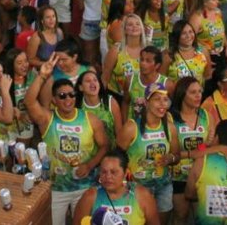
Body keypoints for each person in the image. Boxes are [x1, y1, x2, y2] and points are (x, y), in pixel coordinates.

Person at [25, 55, 110, 225]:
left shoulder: (91, 119)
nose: (68, 99)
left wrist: (89, 165)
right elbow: (29, 102)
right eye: (62, 96)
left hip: (84, 187)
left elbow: (104, 146)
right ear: (54, 101)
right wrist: (42, 76)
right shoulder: (47, 119)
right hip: (56, 188)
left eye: (71, 95)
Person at [117, 86, 178, 223]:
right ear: (146, 101)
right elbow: (117, 156)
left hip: (163, 186)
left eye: (165, 100)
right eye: (157, 99)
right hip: (138, 187)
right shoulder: (131, 127)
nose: (162, 104)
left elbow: (177, 154)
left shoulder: (170, 127)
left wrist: (171, 158)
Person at [72, 150, 160, 225]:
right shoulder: (90, 196)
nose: (108, 176)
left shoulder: (142, 195)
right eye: (104, 172)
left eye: (113, 172)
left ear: (125, 173)